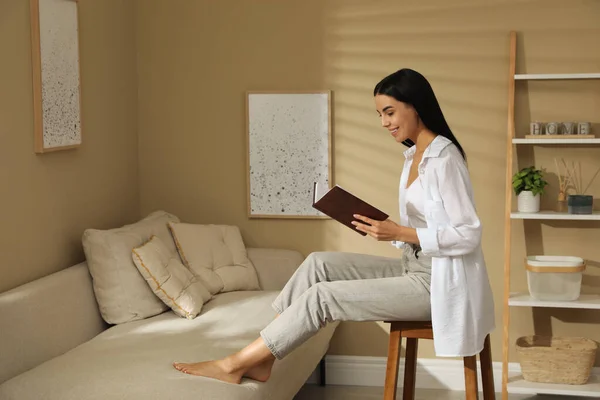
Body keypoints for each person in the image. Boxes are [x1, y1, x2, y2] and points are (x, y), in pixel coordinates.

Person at [172, 68, 495, 383]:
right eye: (380, 114)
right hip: (413, 267)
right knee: (318, 263)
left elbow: (468, 235)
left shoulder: (444, 158)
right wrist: (386, 229)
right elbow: (425, 228)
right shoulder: (414, 156)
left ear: (415, 106)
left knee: (322, 296)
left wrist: (399, 232)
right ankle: (263, 356)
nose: (384, 122)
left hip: (438, 285)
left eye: (390, 112)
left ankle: (237, 363)